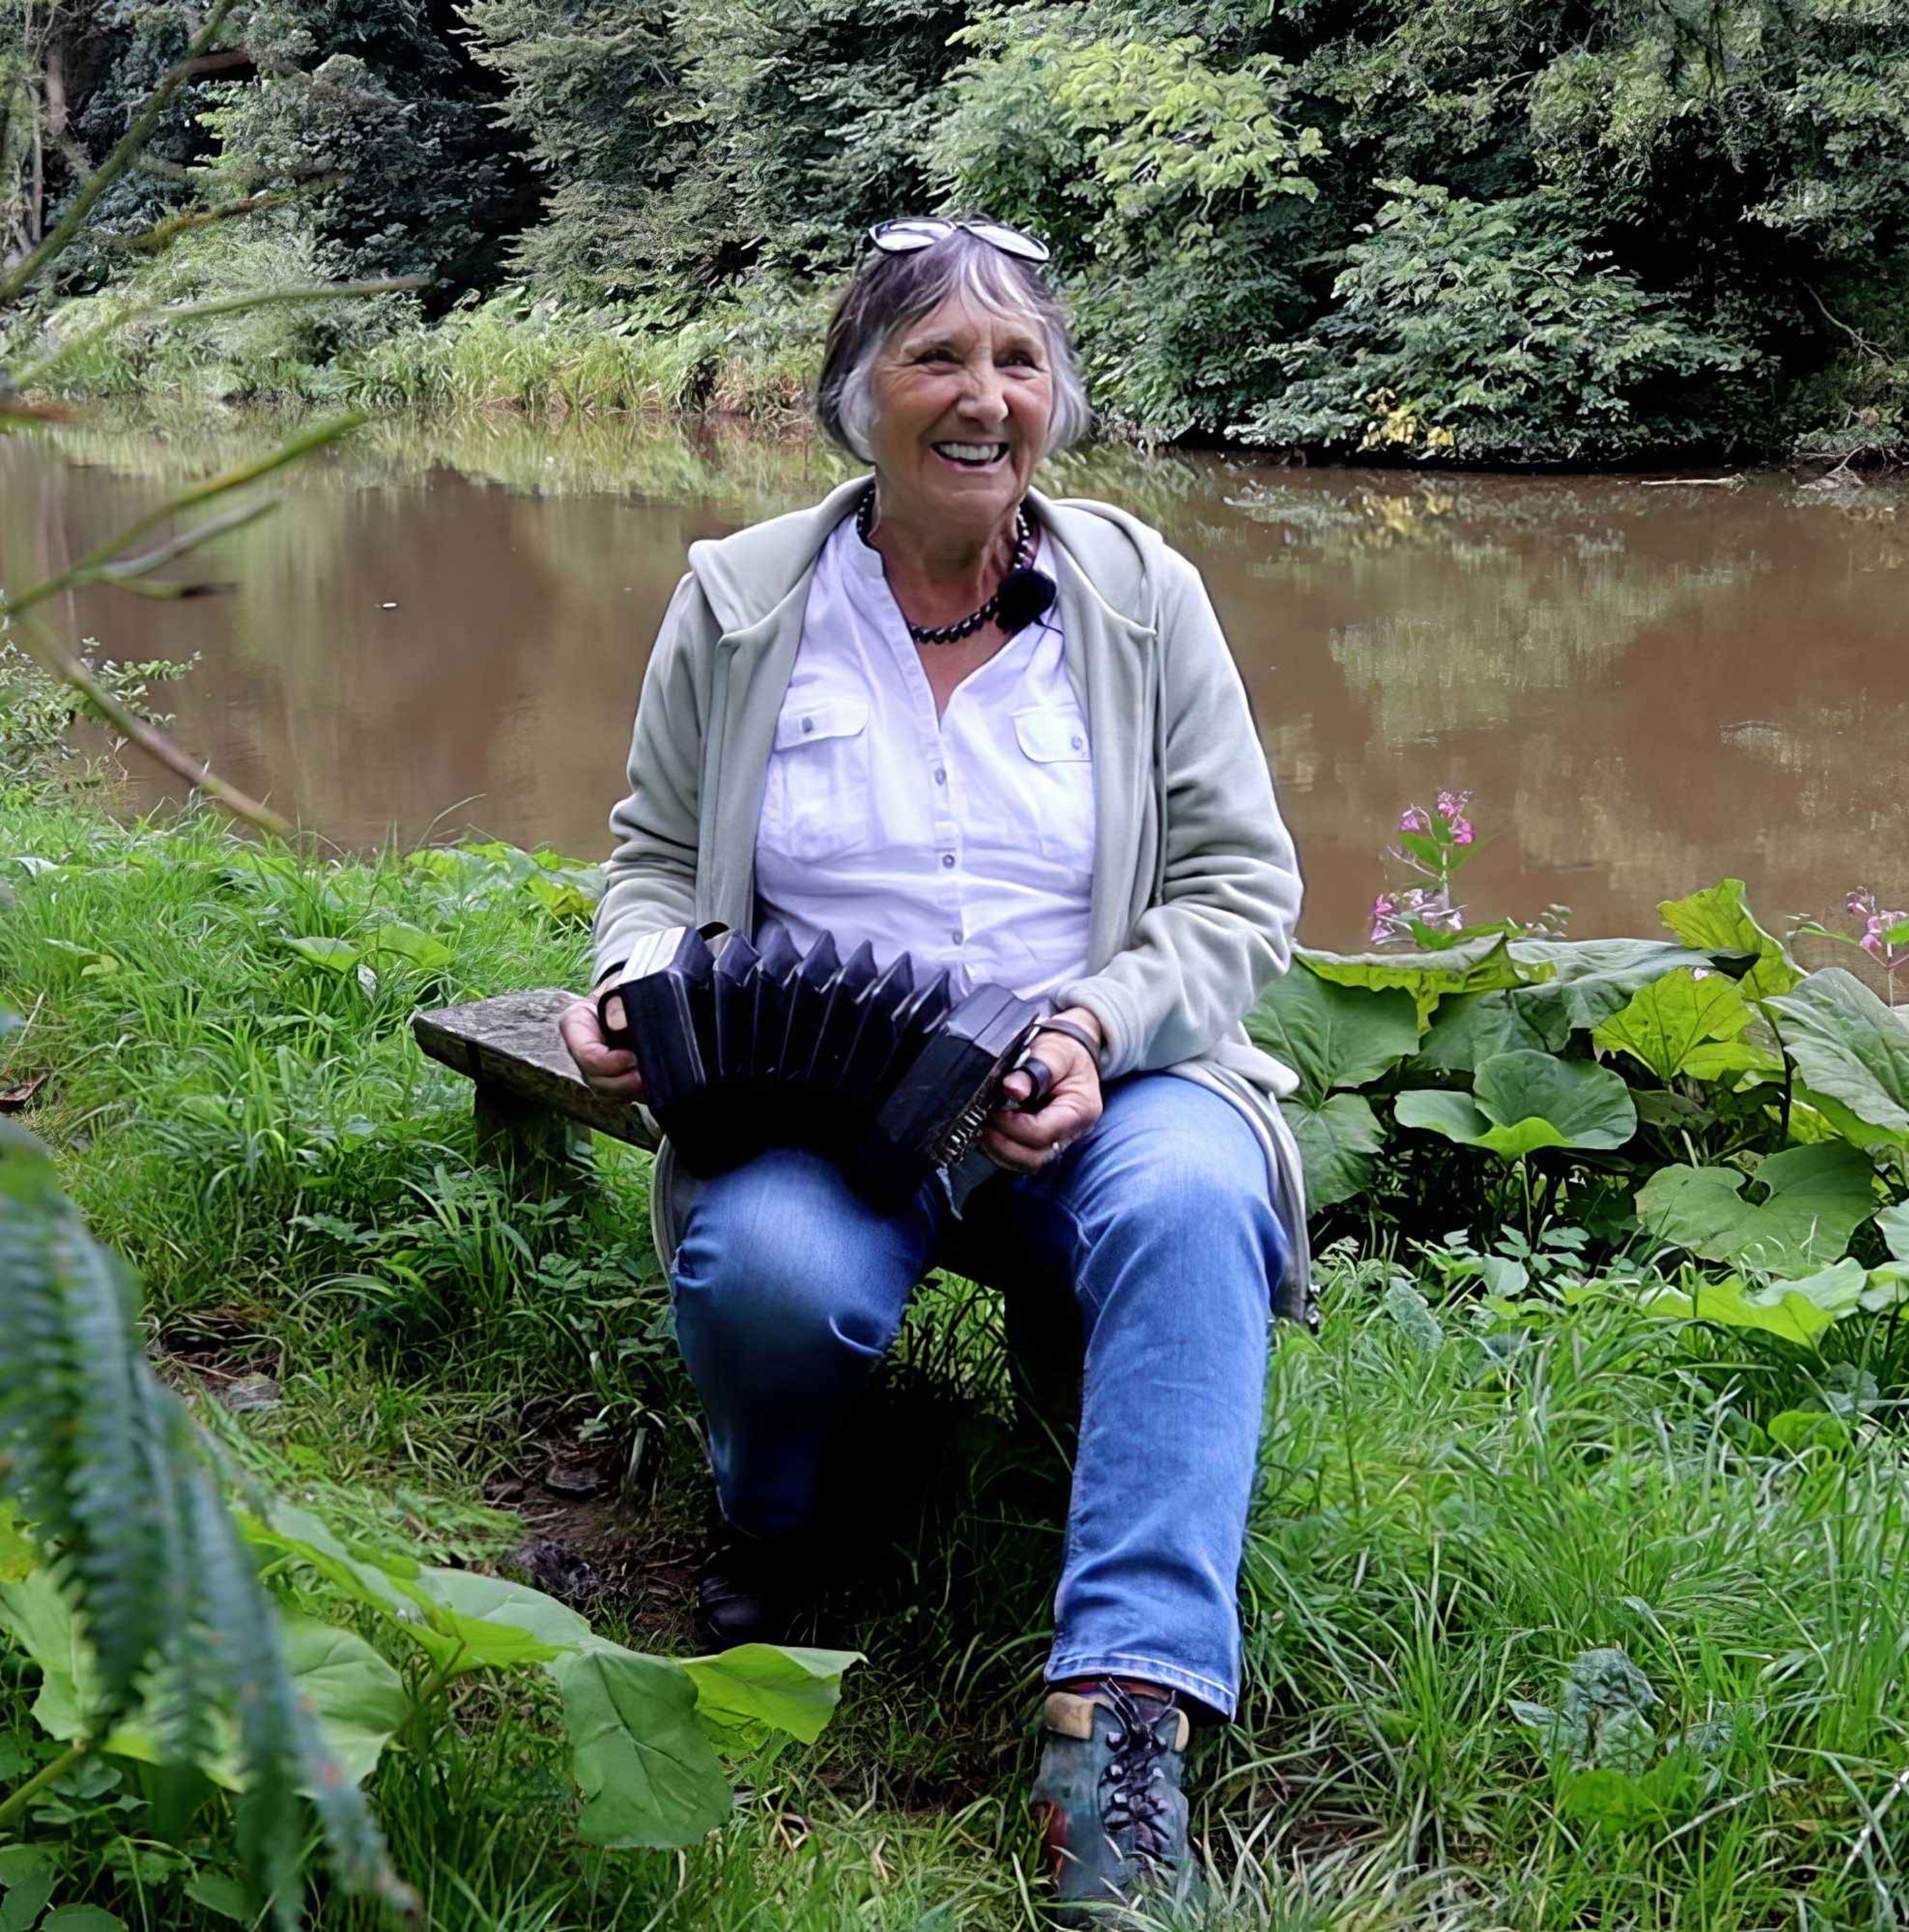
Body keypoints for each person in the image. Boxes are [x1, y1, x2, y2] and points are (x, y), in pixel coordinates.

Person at [559, 214, 1309, 1920]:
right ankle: (782, 1526)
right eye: (938, 359)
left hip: (1099, 1075)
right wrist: (636, 983)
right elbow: (652, 859)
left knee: (1200, 1203)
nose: (984, 398)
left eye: (1018, 361)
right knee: (765, 1276)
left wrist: (1097, 1027)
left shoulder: (1143, 599)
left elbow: (1244, 889)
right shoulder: (742, 601)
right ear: (856, 394)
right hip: (829, 1103)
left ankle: (1120, 1723)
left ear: (1059, 399)